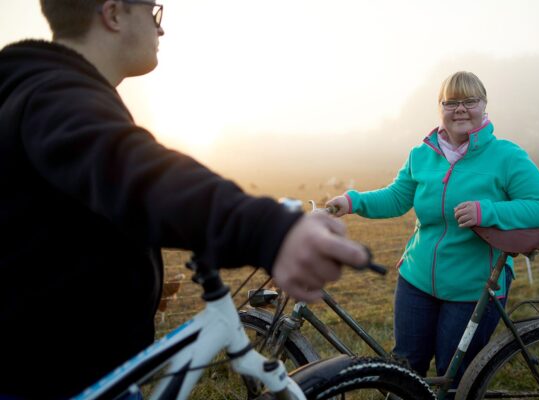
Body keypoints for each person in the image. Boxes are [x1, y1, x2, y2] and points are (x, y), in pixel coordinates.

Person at [0, 1, 368, 398]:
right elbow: (134, 171)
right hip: (55, 377)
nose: (161, 31)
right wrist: (270, 230)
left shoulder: (30, 88)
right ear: (114, 13)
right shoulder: (56, 96)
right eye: (154, 13)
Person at [327, 71, 539, 385]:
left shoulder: (507, 156)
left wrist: (486, 210)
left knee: (453, 377)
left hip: (474, 288)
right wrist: (351, 202)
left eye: (469, 101)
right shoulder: (422, 154)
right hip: (416, 280)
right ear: (440, 108)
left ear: (484, 106)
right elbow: (397, 197)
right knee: (405, 368)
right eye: (451, 102)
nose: (460, 109)